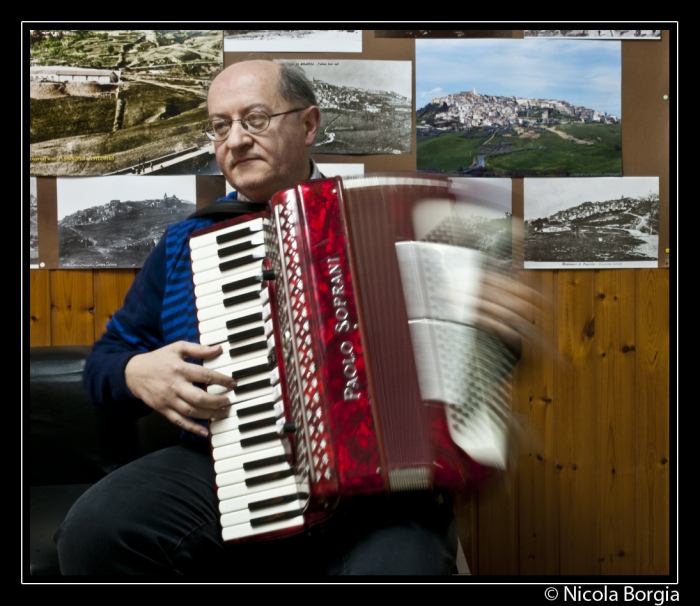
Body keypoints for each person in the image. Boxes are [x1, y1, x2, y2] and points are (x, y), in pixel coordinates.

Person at [55, 59, 535, 577]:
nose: (234, 140)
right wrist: (135, 373)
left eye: (255, 119)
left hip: (381, 492)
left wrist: (495, 335)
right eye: (221, 126)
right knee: (95, 529)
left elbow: (473, 367)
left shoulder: (399, 220)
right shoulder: (182, 244)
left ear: (308, 125)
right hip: (225, 468)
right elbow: (102, 365)